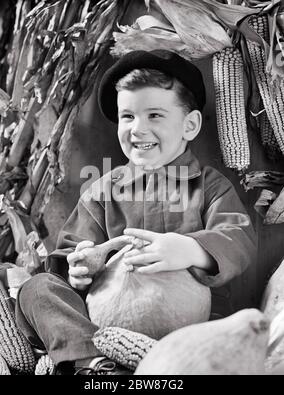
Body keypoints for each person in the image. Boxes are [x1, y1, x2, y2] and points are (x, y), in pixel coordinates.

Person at [15, 50, 256, 375]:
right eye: (128, 117)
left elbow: (238, 236)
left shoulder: (210, 186)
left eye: (154, 115)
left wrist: (190, 250)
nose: (137, 129)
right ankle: (96, 364)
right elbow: (71, 251)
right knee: (37, 288)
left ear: (190, 125)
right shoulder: (102, 190)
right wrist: (79, 267)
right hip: (108, 330)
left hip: (193, 328)